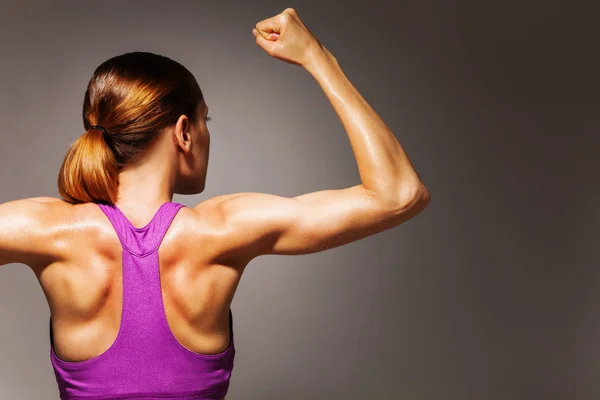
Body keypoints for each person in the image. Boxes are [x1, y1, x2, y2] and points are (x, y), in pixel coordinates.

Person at [0, 7, 430, 400]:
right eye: (207, 120)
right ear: (184, 132)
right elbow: (399, 194)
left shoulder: (50, 230)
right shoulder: (222, 231)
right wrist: (319, 59)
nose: (208, 135)